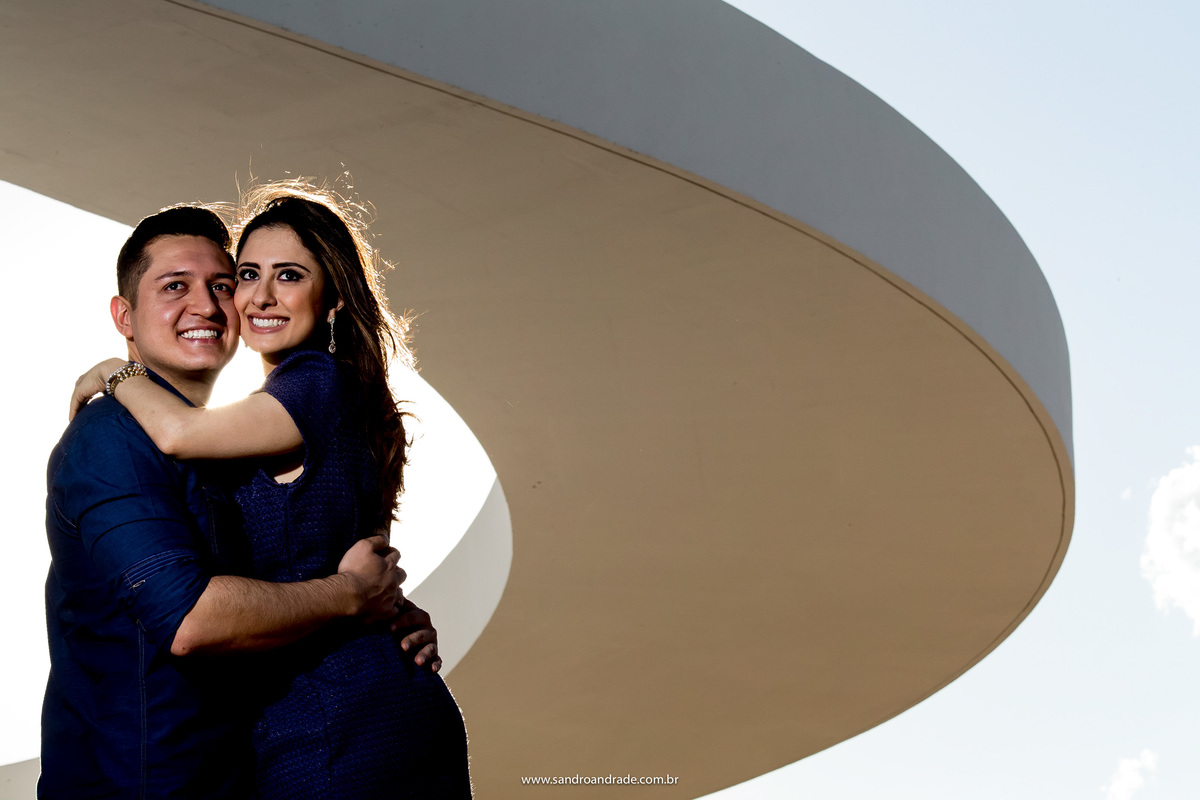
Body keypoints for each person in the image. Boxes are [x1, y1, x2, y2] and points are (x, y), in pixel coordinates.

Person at [73, 182, 472, 798]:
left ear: (334, 297)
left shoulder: (315, 382)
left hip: (335, 722)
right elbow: (349, 555)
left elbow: (179, 433)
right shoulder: (318, 403)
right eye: (248, 275)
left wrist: (113, 370)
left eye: (288, 276)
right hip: (335, 706)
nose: (258, 297)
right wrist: (383, 607)